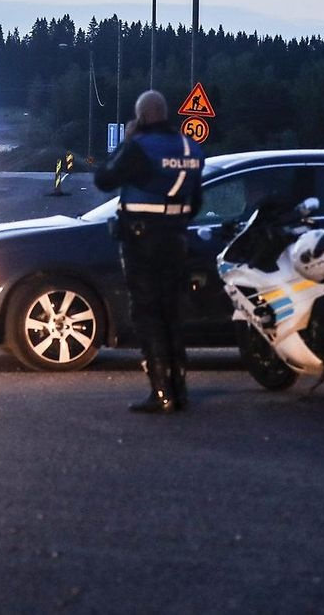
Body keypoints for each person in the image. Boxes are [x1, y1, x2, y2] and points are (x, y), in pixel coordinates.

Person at [94, 91, 203, 414]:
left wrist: (128, 140)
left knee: (148, 313)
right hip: (177, 239)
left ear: (141, 116)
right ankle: (180, 390)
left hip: (143, 241)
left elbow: (104, 178)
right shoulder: (191, 148)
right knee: (172, 313)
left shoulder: (139, 147)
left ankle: (161, 392)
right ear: (165, 113)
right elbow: (196, 201)